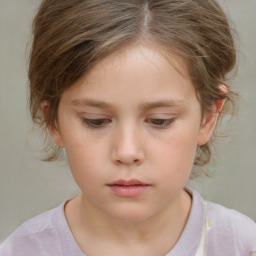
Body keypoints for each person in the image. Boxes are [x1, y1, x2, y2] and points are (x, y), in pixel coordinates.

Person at [0, 0, 255, 255]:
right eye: (95, 121)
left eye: (160, 120)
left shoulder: (242, 246)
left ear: (209, 116)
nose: (126, 151)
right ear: (53, 121)